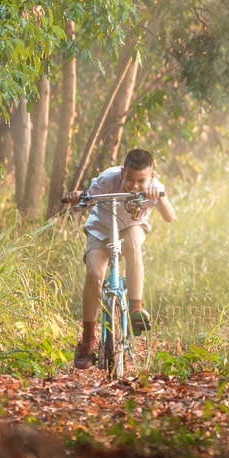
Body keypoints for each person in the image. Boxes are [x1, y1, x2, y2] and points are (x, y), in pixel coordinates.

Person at [64, 149, 176, 370]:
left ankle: (135, 309)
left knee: (134, 245)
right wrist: (76, 198)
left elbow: (169, 217)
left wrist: (159, 196)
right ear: (123, 172)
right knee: (94, 274)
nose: (135, 186)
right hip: (101, 230)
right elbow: (82, 204)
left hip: (131, 228)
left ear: (151, 177)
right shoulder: (107, 179)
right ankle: (87, 341)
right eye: (130, 179)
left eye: (141, 181)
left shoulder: (154, 185)